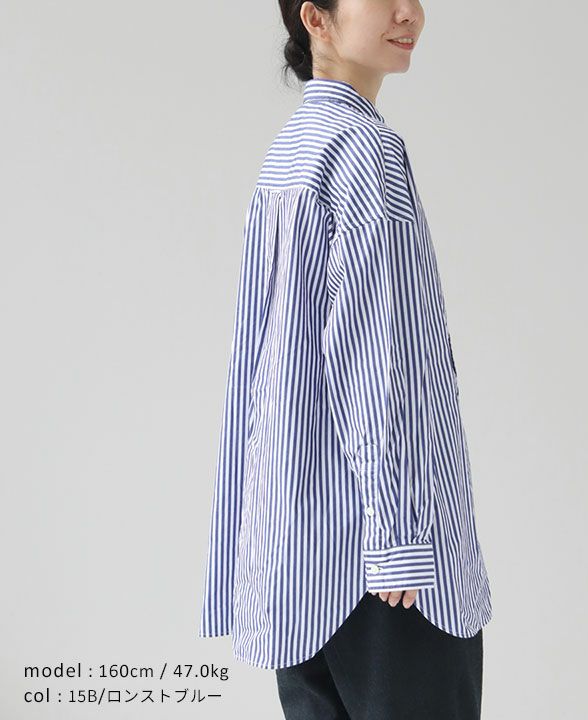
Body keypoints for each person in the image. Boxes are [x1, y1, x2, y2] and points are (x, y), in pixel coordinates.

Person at [199, 1, 493, 717]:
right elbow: (378, 360)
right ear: (316, 18)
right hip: (382, 572)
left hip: (294, 563)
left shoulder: (292, 148)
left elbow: (255, 371)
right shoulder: (366, 151)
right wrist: (398, 535)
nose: (409, 12)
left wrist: (245, 550)